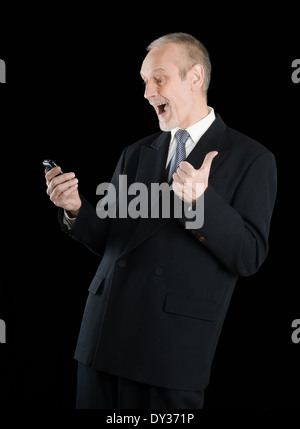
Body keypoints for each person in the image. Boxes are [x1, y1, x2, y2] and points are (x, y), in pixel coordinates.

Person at [45, 33, 277, 409]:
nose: (147, 92)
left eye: (159, 78)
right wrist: (76, 209)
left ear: (195, 77)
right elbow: (111, 238)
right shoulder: (136, 152)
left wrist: (202, 202)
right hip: (103, 337)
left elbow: (249, 255)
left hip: (169, 352)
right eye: (144, 81)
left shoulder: (252, 158)